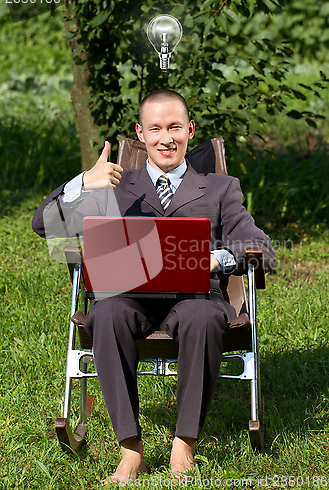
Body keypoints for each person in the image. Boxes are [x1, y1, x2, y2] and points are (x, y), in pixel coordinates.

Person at [32, 89, 276, 485]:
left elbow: (261, 247)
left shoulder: (220, 188)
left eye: (175, 127)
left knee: (203, 317)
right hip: (128, 298)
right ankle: (131, 450)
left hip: (197, 297)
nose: (167, 137)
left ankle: (184, 445)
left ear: (190, 130)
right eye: (156, 128)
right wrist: (81, 183)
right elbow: (44, 226)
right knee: (106, 314)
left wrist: (219, 258)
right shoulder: (112, 186)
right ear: (140, 133)